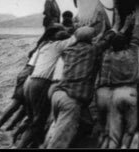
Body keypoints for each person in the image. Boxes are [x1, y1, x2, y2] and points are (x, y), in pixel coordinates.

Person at [44, 20, 120, 149]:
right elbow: (107, 41)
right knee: (60, 140)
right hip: (71, 100)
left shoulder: (69, 50)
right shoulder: (92, 50)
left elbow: (96, 39)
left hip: (58, 95)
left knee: (86, 124)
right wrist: (117, 27)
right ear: (91, 39)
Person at [15, 24, 77, 148]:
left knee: (33, 117)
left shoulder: (45, 44)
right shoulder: (57, 46)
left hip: (30, 81)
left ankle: (27, 140)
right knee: (39, 120)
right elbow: (76, 38)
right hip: (42, 82)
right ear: (56, 36)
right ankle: (21, 145)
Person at [95, 5, 139, 149]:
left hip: (115, 94)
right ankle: (125, 145)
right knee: (130, 129)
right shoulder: (132, 52)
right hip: (131, 92)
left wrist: (120, 26)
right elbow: (136, 38)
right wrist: (136, 21)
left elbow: (110, 43)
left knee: (113, 132)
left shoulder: (109, 55)